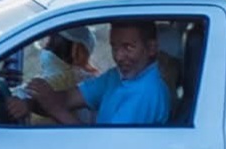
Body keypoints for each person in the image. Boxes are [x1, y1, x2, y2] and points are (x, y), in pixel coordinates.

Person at [25, 20, 171, 126]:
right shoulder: (116, 76)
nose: (118, 57)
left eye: (128, 47)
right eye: (114, 47)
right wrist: (29, 103)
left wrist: (56, 110)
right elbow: (67, 98)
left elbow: (104, 148)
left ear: (151, 48)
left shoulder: (147, 92)